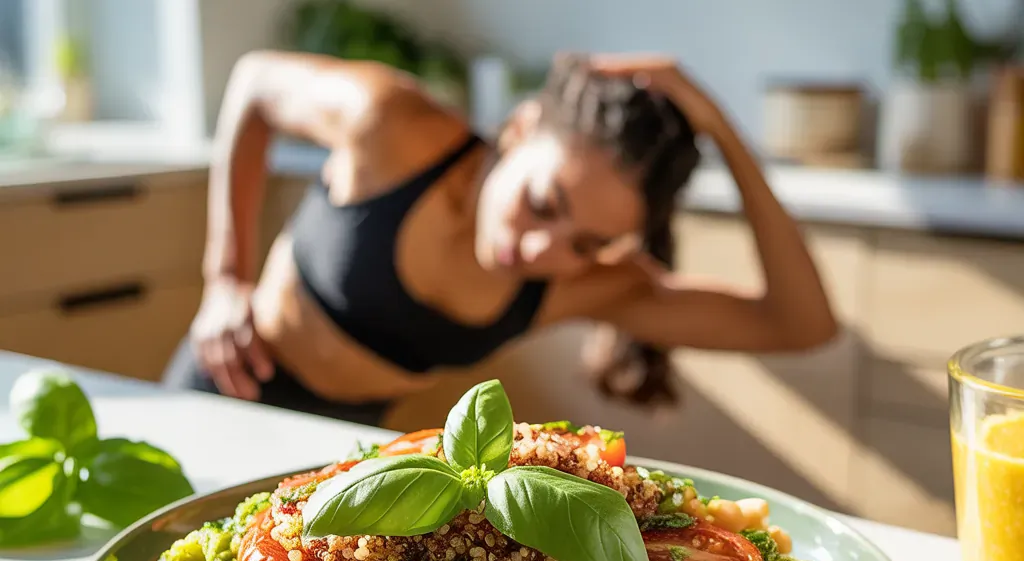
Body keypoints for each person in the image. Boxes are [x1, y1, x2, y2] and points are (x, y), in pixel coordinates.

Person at [165, 52, 837, 425]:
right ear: (519, 130)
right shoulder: (394, 126)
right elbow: (252, 82)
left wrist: (723, 131)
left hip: (334, 457)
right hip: (219, 389)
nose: (545, 251)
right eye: (544, 203)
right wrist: (226, 276)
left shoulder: (582, 286)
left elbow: (799, 322)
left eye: (587, 243)